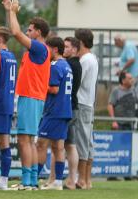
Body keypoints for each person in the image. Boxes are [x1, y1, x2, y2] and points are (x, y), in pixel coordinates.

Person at [3, 0, 50, 190]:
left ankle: (27, 180)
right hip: (32, 97)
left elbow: (14, 32)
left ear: (38, 32)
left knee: (25, 140)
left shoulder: (39, 47)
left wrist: (12, 12)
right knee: (28, 140)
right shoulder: (36, 50)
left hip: (31, 97)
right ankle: (30, 181)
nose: (27, 32)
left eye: (30, 30)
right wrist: (9, 11)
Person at [35, 37, 73, 190]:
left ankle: (32, 178)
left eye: (48, 48)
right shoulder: (67, 65)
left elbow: (54, 89)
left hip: (54, 111)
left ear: (55, 49)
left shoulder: (55, 65)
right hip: (64, 110)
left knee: (41, 144)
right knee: (58, 146)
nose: (46, 52)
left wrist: (39, 83)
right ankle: (57, 181)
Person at [0, 27, 18, 189]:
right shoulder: (12, 57)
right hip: (8, 103)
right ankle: (4, 180)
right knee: (5, 142)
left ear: (0, 38)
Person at [73, 29, 99, 190]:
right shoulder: (93, 58)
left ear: (81, 42)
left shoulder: (84, 60)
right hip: (89, 103)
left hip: (82, 103)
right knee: (88, 141)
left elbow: (78, 81)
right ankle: (87, 179)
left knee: (82, 141)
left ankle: (81, 179)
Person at [60, 36, 83, 189]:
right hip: (74, 106)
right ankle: (71, 179)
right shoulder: (77, 64)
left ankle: (57, 178)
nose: (64, 49)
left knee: (60, 144)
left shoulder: (69, 64)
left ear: (74, 49)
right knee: (70, 145)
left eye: (67, 47)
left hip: (67, 107)